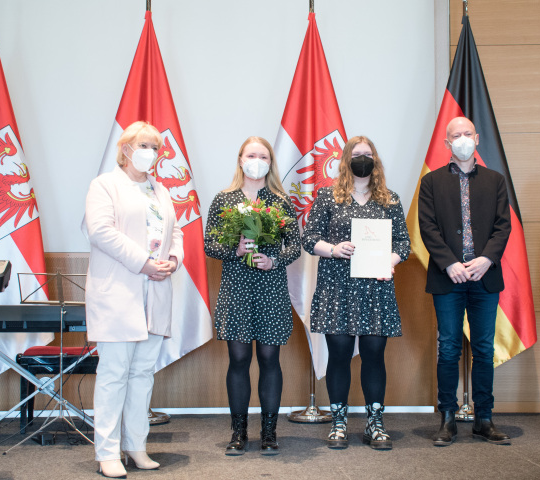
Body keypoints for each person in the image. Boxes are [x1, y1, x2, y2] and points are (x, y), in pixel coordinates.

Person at [85, 121, 183, 478]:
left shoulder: (160, 190)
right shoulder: (104, 185)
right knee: (114, 373)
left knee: (142, 374)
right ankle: (107, 452)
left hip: (155, 291)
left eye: (156, 147)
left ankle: (136, 446)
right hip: (119, 292)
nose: (152, 153)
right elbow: (101, 231)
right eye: (145, 145)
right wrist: (142, 262)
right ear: (126, 148)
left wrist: (173, 259)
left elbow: (177, 232)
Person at [303, 136, 410, 451]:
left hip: (376, 287)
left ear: (375, 160)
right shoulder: (328, 197)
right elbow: (309, 238)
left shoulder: (389, 199)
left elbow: (403, 243)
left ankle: (375, 423)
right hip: (337, 287)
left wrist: (390, 260)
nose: (362, 159)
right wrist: (334, 249)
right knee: (339, 355)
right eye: (357, 154)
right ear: (346, 159)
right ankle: (338, 422)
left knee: (374, 355)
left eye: (368, 154)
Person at [418, 116, 511, 446]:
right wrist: (450, 264)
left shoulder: (496, 181)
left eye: (466, 134)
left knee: (484, 348)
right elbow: (427, 228)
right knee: (449, 348)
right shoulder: (430, 183)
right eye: (455, 136)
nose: (461, 139)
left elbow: (503, 227)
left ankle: (484, 418)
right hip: (448, 279)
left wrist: (486, 259)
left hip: (485, 277)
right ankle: (448, 417)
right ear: (446, 144)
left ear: (477, 138)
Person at [204, 136, 300, 456]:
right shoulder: (224, 199)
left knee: (270, 359)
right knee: (239, 359)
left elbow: (294, 246)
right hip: (237, 287)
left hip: (270, 286)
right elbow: (209, 245)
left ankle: (270, 432)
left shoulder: (281, 201)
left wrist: (275, 260)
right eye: (251, 155)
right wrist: (235, 249)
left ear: (270, 163)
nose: (256, 160)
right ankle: (239, 432)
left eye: (263, 156)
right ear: (240, 159)